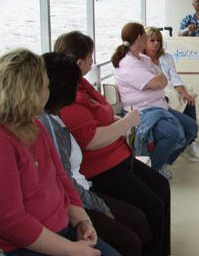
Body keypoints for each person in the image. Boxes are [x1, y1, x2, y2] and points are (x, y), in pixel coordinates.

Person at [54, 31, 171, 256]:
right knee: (152, 206)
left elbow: (102, 114)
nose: (92, 61)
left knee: (161, 187)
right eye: (91, 58)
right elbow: (91, 140)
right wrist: (127, 122)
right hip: (103, 169)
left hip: (119, 157)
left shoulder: (84, 86)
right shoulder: (69, 98)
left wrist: (117, 122)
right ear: (80, 62)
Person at [0, 48, 118, 256]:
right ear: (31, 93)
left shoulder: (36, 126)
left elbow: (61, 178)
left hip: (65, 229)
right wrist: (72, 250)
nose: (48, 92)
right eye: (45, 86)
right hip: (29, 246)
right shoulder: (4, 142)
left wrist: (82, 221)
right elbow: (12, 221)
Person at [40, 52, 152, 256]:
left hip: (85, 190)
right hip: (86, 190)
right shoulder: (49, 127)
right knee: (131, 238)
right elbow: (65, 180)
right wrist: (96, 208)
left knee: (141, 217)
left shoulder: (56, 120)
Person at [112, 23, 198, 177]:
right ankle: (150, 173)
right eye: (147, 38)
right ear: (140, 38)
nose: (154, 42)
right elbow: (159, 82)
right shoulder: (128, 63)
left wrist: (159, 80)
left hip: (160, 106)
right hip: (143, 111)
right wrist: (159, 80)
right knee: (172, 134)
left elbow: (162, 79)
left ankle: (161, 162)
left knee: (191, 128)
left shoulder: (143, 59)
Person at [144, 26, 199, 162]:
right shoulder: (141, 61)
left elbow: (175, 78)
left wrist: (185, 93)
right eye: (152, 40)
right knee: (180, 104)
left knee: (189, 99)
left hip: (169, 87)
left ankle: (189, 142)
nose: (156, 43)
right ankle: (185, 143)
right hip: (156, 94)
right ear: (144, 42)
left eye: (158, 40)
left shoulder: (167, 58)